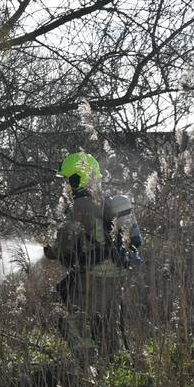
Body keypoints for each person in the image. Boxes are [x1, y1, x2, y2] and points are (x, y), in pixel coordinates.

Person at [43, 152, 142, 357]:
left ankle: (85, 356)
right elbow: (132, 239)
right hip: (115, 275)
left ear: (77, 179)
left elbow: (65, 248)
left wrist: (52, 252)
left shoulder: (79, 207)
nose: (68, 186)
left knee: (65, 314)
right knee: (108, 323)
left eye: (69, 180)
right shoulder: (111, 202)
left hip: (88, 277)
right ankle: (113, 362)